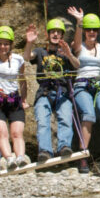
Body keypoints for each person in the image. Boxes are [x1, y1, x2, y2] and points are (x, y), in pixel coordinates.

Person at [66, 7, 100, 174]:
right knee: (89, 114)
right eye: (89, 30)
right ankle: (83, 157)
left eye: (95, 30)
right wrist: (79, 22)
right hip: (82, 85)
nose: (92, 32)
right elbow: (77, 40)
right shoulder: (78, 47)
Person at [24, 18, 79, 163]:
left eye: (58, 32)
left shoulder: (66, 51)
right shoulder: (40, 51)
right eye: (53, 32)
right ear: (48, 34)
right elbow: (27, 57)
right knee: (43, 121)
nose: (55, 34)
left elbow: (77, 65)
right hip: (44, 91)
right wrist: (29, 42)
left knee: (65, 118)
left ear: (62, 35)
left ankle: (64, 146)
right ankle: (45, 151)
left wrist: (69, 54)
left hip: (63, 92)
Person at [0, 24, 30, 171]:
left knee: (17, 133)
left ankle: (21, 158)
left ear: (10, 45)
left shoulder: (18, 59)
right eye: (0, 44)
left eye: (6, 44)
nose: (2, 47)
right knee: (1, 132)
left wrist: (24, 99)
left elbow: (22, 80)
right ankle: (9, 159)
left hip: (14, 100)